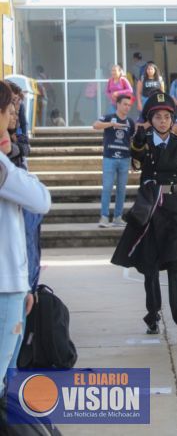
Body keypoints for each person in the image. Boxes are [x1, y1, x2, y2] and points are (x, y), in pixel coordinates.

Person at [111, 92, 177, 335]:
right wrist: (138, 142)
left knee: (176, 263)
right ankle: (152, 313)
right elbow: (137, 158)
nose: (163, 121)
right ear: (150, 120)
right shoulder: (144, 141)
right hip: (150, 209)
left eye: (167, 117)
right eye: (158, 117)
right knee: (150, 267)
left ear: (172, 120)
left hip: (176, 208)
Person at [0, 80, 50, 395]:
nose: (14, 115)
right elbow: (40, 199)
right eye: (10, 109)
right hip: (5, 285)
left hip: (13, 283)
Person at [93, 94, 136, 227]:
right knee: (107, 188)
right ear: (117, 104)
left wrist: (133, 161)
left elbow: (133, 141)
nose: (127, 107)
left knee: (121, 190)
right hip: (109, 158)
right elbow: (95, 125)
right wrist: (111, 124)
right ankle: (104, 217)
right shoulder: (108, 117)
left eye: (129, 105)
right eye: (125, 104)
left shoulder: (130, 122)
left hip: (124, 159)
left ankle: (118, 217)